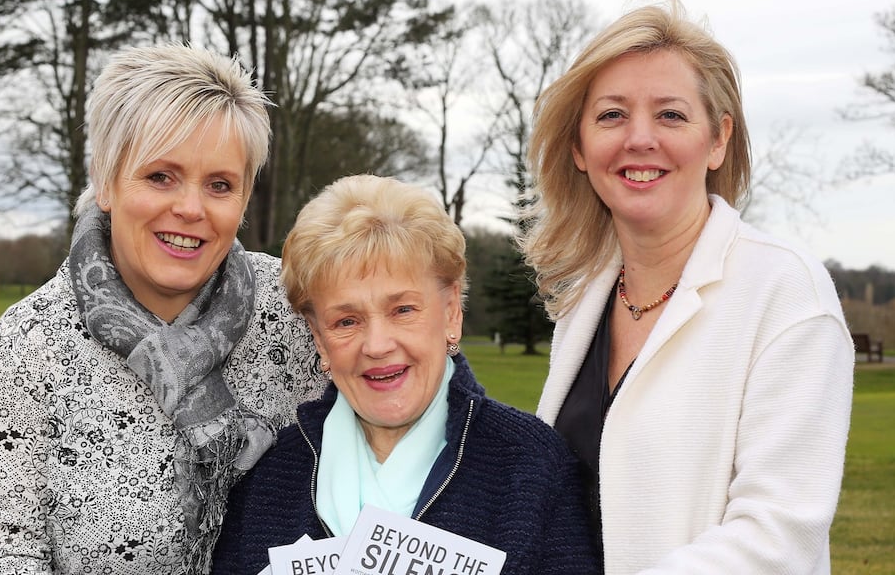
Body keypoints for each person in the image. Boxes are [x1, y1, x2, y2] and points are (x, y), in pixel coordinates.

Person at [0, 44, 326, 575]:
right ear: (106, 181)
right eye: (161, 177)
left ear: (243, 199)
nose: (191, 209)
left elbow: (407, 404)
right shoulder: (26, 349)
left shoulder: (294, 313)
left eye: (220, 185)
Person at [520, 2, 854, 574]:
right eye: (611, 116)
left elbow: (779, 539)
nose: (640, 139)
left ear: (718, 139)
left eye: (671, 115)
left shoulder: (788, 292)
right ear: (578, 148)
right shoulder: (583, 304)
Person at [210, 174, 602, 574]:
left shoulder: (531, 466)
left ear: (451, 312)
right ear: (319, 338)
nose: (377, 345)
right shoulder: (270, 480)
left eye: (403, 310)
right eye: (346, 321)